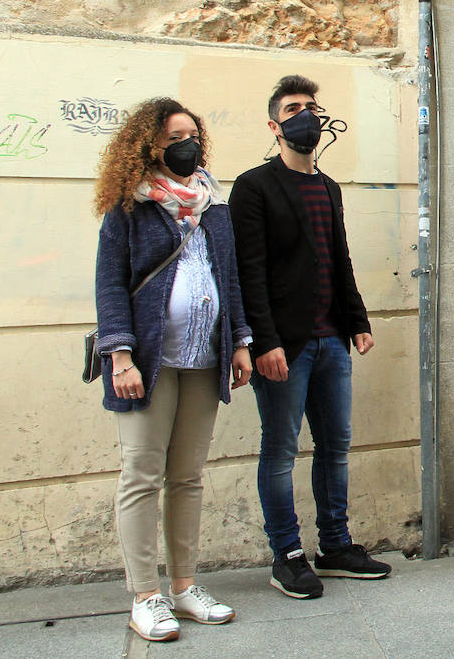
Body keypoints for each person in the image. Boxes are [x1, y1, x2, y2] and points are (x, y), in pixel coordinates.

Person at [93, 97, 253, 642]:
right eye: (174, 139)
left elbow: (228, 277)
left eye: (193, 136)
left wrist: (240, 341)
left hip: (204, 359)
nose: (188, 146)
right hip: (148, 362)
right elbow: (110, 284)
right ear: (149, 147)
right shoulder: (130, 208)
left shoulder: (213, 203)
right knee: (141, 477)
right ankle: (146, 596)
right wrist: (119, 355)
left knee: (186, 477)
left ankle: (184, 587)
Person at [229, 75, 389, 599]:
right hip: (284, 345)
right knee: (280, 450)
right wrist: (263, 342)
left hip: (331, 340)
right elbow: (248, 271)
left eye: (312, 107)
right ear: (274, 126)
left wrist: (357, 320)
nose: (306, 116)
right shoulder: (254, 186)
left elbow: (338, 257)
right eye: (293, 108)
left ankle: (335, 546)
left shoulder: (328, 187)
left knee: (335, 446)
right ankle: (288, 555)